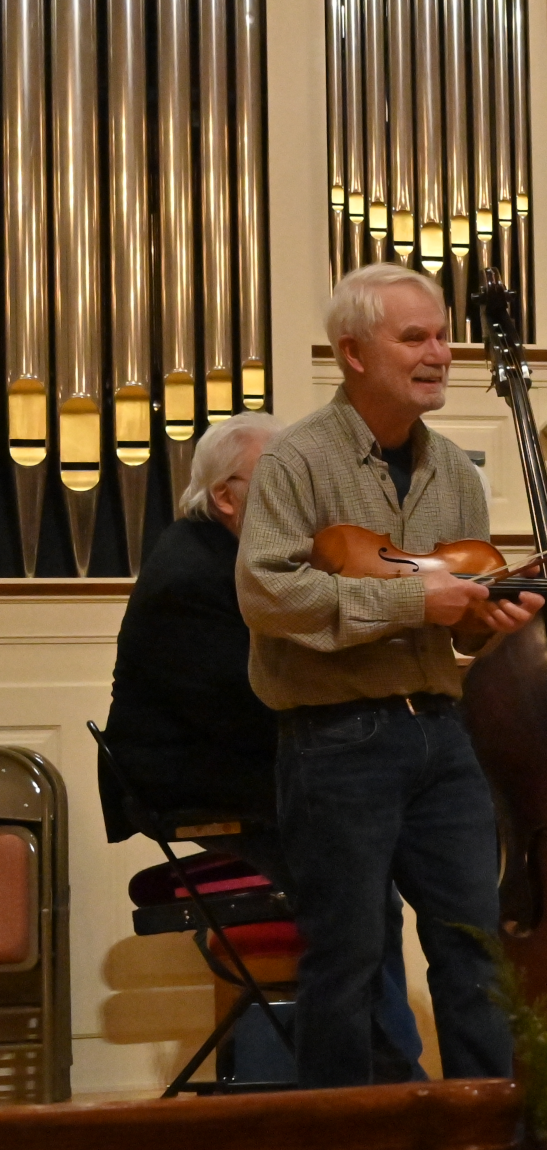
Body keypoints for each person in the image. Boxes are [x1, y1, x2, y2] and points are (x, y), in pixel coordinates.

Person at [237, 263, 538, 1150]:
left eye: (442, 334)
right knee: (349, 956)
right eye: (415, 338)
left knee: (473, 947)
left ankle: (488, 1144)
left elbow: (454, 624)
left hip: (442, 732)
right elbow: (269, 594)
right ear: (354, 352)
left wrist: (483, 620)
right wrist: (416, 600)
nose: (439, 352)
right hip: (337, 738)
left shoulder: (457, 472)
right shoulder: (297, 460)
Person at [101, 412, 427, 1081]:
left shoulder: (230, 557)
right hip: (196, 782)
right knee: (354, 879)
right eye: (278, 480)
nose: (298, 497)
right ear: (226, 497)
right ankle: (386, 1084)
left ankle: (381, 1073)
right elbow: (252, 704)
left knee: (365, 864)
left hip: (230, 764)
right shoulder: (194, 573)